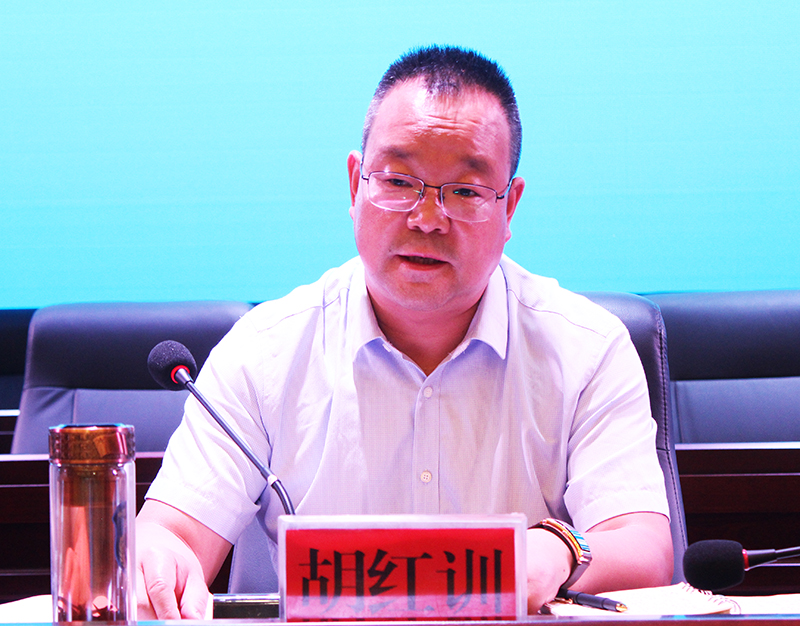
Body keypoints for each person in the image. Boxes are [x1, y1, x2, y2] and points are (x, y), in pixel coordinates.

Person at [136, 45, 673, 619]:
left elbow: (643, 548)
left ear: (509, 208)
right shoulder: (263, 351)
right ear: (355, 185)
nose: (427, 218)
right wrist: (158, 559)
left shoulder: (587, 348)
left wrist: (561, 549)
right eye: (398, 181)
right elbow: (168, 535)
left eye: (464, 191)